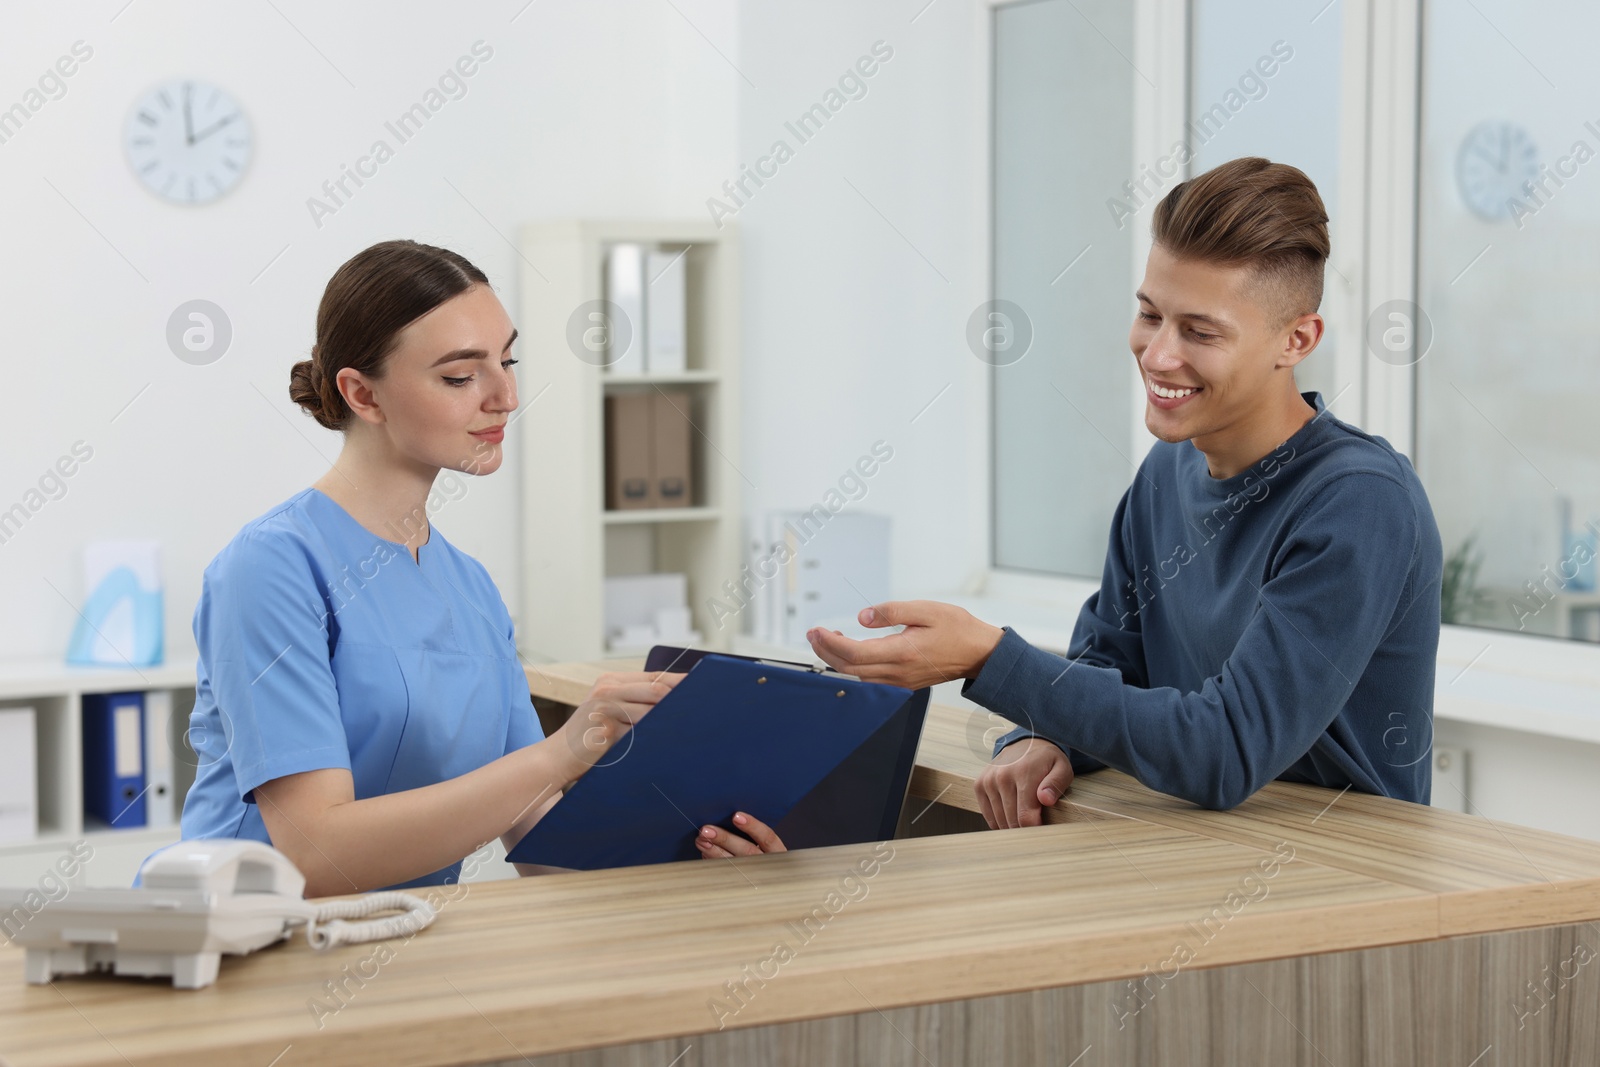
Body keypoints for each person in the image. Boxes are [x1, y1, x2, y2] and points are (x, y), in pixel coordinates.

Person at [807, 157, 1443, 828]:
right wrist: (1041, 738)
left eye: (1199, 331)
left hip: (1349, 883)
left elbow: (1224, 750)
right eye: (1149, 314)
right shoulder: (1166, 474)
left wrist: (989, 656)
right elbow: (1110, 660)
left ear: (1297, 339)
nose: (1158, 353)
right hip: (1196, 852)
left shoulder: (1360, 503)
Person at [168, 240, 780, 896]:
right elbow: (315, 853)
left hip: (408, 947)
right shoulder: (271, 569)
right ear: (361, 393)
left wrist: (706, 855)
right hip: (250, 950)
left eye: (507, 361)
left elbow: (541, 836)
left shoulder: (471, 589)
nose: (505, 396)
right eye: (461, 376)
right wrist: (563, 749)